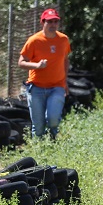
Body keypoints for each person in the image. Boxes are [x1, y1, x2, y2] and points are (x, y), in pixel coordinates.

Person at [18, 8, 71, 139]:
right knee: (38, 126)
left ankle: (53, 141)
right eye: (50, 22)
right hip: (36, 87)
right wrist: (37, 65)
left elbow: (65, 60)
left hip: (57, 86)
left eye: (55, 22)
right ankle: (38, 152)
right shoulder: (34, 41)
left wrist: (65, 82)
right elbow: (21, 62)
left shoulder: (63, 40)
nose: (53, 25)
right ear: (43, 23)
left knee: (53, 119)